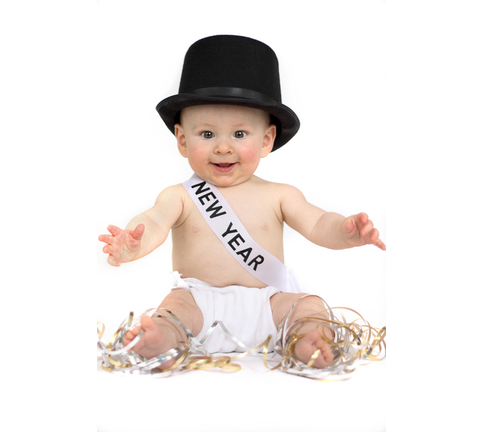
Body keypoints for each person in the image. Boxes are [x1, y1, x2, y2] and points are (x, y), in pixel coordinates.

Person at [98, 35, 385, 370]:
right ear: (182, 140)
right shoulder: (178, 196)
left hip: (269, 304)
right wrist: (134, 242)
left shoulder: (280, 194)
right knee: (172, 308)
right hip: (198, 303)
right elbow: (155, 221)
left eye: (239, 134)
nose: (223, 147)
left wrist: (345, 231)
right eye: (207, 134)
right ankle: (160, 340)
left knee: (310, 305)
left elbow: (318, 223)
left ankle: (309, 339)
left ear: (266, 141)